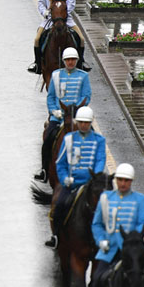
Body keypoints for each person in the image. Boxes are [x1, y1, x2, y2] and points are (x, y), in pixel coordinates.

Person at [82, 163, 144, 287]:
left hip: (133, 251)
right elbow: (97, 224)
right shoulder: (106, 198)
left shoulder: (140, 199)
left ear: (131, 182)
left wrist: (133, 239)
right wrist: (101, 241)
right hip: (110, 249)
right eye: (120, 180)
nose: (123, 183)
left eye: (126, 180)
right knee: (97, 279)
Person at [44, 106, 105, 249]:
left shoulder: (99, 140)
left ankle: (109, 239)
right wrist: (65, 178)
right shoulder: (68, 139)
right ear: (77, 123)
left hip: (91, 183)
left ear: (91, 123)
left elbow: (100, 160)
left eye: (87, 122)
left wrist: (94, 178)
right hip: (73, 183)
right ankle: (56, 236)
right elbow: (61, 163)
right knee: (59, 205)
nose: (84, 125)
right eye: (81, 122)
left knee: (107, 206)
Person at [34, 47, 91, 183]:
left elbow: (86, 96)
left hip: (77, 115)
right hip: (59, 116)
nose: (70, 62)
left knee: (91, 137)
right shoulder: (56, 75)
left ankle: (92, 172)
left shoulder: (83, 76)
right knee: (48, 138)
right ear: (64, 61)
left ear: (77, 61)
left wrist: (76, 110)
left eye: (73, 60)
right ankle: (44, 170)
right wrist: (54, 111)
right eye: (68, 60)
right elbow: (51, 97)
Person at [28, 0, 90, 74]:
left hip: (66, 19)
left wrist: (62, 14)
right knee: (37, 39)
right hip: (49, 19)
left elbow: (71, 4)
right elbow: (41, 2)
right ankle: (37, 63)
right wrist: (45, 12)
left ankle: (82, 62)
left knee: (81, 39)